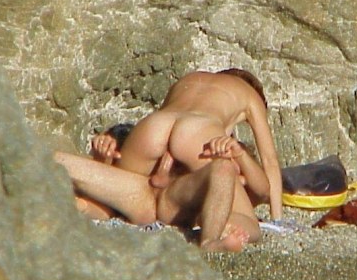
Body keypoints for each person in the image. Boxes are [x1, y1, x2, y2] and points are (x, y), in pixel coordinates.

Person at [55, 68, 282, 252]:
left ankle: (73, 197)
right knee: (227, 179)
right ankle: (210, 241)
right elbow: (270, 160)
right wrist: (277, 218)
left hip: (153, 127)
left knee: (112, 202)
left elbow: (168, 148)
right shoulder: (250, 95)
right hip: (197, 131)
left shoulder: (191, 79)